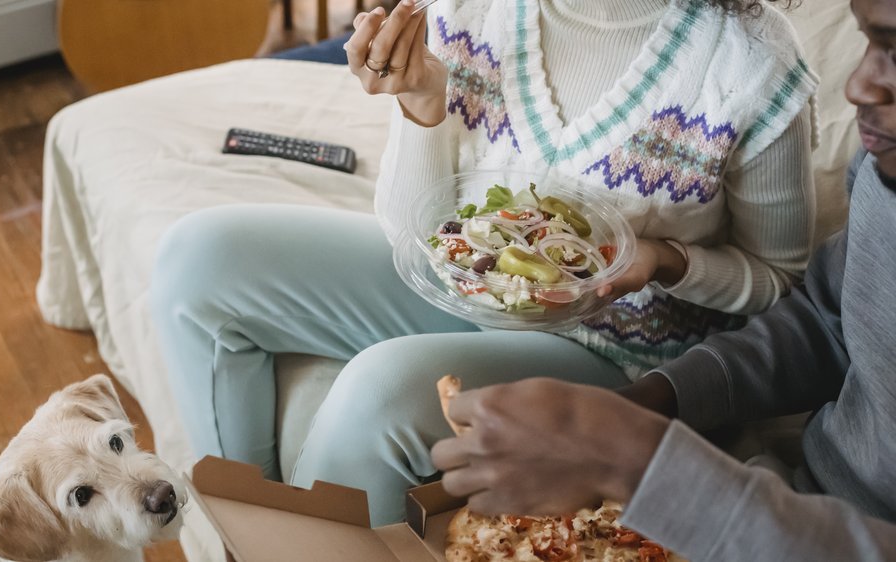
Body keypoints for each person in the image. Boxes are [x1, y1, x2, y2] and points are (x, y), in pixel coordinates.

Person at [150, 0, 819, 525]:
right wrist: (421, 107)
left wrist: (666, 260)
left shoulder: (751, 67)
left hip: (620, 354)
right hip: (464, 284)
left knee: (378, 392)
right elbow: (409, 231)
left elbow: (779, 283)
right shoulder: (466, 10)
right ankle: (249, 528)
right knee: (198, 257)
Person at [432, 0, 896, 557]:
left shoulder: (751, 65)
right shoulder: (884, 171)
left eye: (894, 50)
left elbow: (779, 279)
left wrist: (642, 460)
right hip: (793, 494)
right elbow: (827, 320)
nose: (860, 88)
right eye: (869, 41)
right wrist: (643, 406)